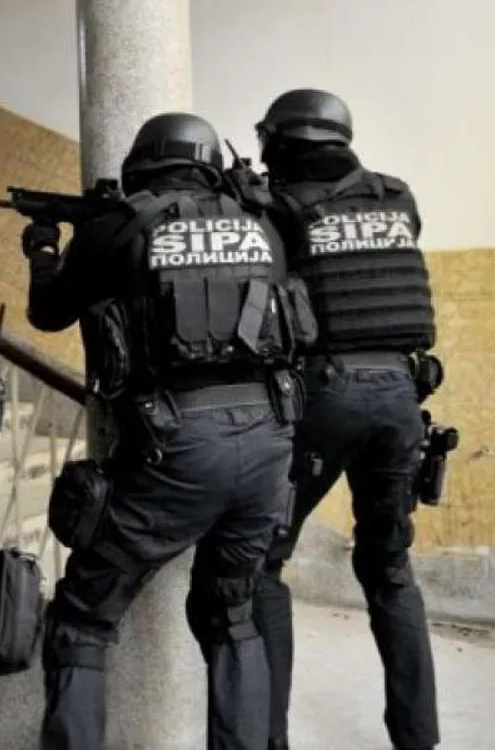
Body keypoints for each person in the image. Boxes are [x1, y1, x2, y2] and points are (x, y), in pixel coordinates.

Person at [23, 112, 317, 750]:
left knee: (82, 618)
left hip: (177, 444)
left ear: (143, 160)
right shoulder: (262, 223)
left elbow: (47, 312)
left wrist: (44, 250)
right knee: (232, 613)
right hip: (270, 440)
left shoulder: (122, 225)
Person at [251, 88, 440, 750]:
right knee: (390, 569)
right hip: (400, 395)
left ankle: (269, 740)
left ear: (282, 140)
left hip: (325, 394)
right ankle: (419, 740)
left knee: (261, 564)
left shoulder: (280, 207)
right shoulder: (397, 196)